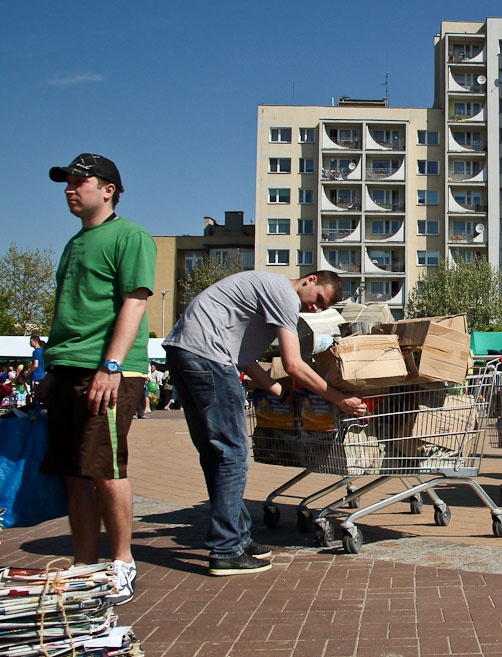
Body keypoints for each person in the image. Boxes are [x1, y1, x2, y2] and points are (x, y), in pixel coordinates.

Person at [164, 269, 368, 576]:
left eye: (322, 308)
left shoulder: (266, 291)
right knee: (232, 454)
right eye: (318, 300)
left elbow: (244, 359)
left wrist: (279, 392)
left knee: (214, 453)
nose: (314, 308)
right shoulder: (284, 294)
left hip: (185, 352)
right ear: (310, 280)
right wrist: (339, 399)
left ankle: (238, 538)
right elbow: (294, 364)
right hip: (209, 357)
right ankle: (226, 549)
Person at [38, 153, 156, 606]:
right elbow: (67, 311)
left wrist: (111, 365)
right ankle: (84, 563)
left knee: (105, 470)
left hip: (107, 370)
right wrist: (51, 367)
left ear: (108, 189)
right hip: (68, 368)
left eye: (79, 181)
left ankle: (122, 563)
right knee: (74, 473)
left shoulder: (130, 235)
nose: (70, 189)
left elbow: (135, 302)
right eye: (66, 182)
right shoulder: (73, 244)